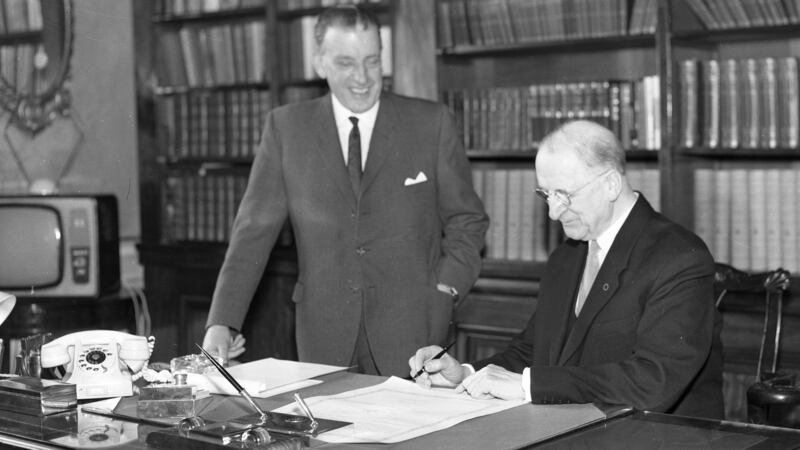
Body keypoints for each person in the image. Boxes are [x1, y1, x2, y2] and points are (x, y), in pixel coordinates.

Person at [202, 5, 489, 377]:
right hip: (323, 334)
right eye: (346, 63)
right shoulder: (286, 129)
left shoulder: (430, 124)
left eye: (372, 61)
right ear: (319, 63)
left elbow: (468, 220)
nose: (363, 78)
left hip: (416, 331)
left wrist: (446, 288)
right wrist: (221, 321)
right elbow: (252, 233)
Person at [409, 120, 724, 419]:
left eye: (564, 195)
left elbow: (653, 381)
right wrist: (464, 375)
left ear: (611, 184)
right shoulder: (567, 257)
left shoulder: (678, 258)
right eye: (546, 194)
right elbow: (533, 353)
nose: (553, 212)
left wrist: (528, 387)